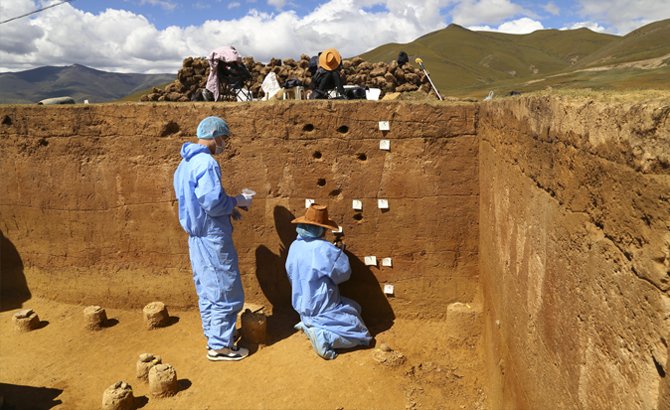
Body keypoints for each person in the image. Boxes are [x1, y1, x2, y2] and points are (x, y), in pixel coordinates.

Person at [173, 116, 255, 361]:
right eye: (224, 139)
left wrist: (229, 209)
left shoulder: (185, 163)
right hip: (212, 238)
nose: (225, 144)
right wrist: (237, 201)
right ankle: (221, 347)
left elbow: (196, 201)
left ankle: (214, 336)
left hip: (197, 238)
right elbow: (212, 202)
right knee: (225, 289)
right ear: (214, 134)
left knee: (208, 289)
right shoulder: (207, 163)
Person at [285, 204, 372, 359]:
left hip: (302, 304)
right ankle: (323, 337)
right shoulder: (324, 248)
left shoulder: (294, 245)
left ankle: (308, 325)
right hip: (322, 305)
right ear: (321, 229)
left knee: (354, 307)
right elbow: (344, 274)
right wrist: (337, 253)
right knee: (361, 334)